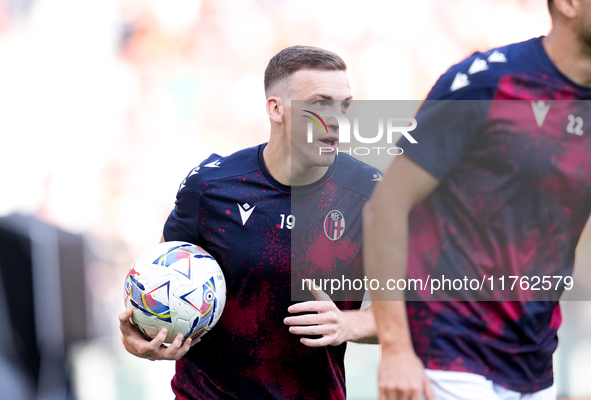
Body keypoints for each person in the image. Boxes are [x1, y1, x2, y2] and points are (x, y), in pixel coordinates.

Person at [119, 45, 379, 399]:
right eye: (320, 103)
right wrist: (142, 336)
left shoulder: (370, 194)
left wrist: (349, 324)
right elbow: (163, 285)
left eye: (344, 106)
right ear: (276, 109)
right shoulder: (211, 187)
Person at [364, 0, 591, 399]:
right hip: (448, 353)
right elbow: (385, 208)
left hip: (535, 366)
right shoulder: (489, 81)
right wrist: (396, 348)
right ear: (569, 5)